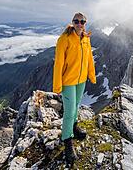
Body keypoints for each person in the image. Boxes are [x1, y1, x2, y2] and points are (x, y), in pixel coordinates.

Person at [52, 12, 96, 165]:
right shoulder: (64, 39)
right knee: (69, 111)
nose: (79, 24)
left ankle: (74, 127)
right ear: (72, 22)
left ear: (85, 23)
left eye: (82, 22)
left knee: (76, 106)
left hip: (81, 79)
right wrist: (57, 85)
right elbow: (58, 63)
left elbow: (89, 58)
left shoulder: (86, 39)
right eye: (76, 21)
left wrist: (92, 75)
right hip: (68, 81)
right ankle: (67, 141)